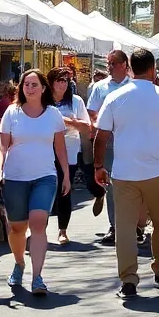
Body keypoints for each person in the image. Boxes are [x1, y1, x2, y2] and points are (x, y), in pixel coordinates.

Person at [93, 47, 159, 299]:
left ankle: (129, 280)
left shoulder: (115, 97)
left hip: (123, 173)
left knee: (124, 228)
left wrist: (98, 166)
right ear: (154, 69)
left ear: (131, 68)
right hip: (158, 172)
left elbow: (100, 136)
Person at [0, 69, 69, 296]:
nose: (29, 88)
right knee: (17, 228)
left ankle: (37, 277)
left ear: (43, 88)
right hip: (15, 177)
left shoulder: (53, 114)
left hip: (45, 177)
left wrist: (65, 174)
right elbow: (1, 145)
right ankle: (19, 263)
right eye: (26, 84)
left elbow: (60, 148)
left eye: (34, 84)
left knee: (38, 224)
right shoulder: (11, 112)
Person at [86, 49, 132, 243]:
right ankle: (114, 226)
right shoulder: (100, 87)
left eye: (113, 63)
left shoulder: (135, 86)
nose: (109, 67)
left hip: (133, 144)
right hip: (110, 144)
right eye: (108, 63)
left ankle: (135, 225)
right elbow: (92, 112)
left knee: (132, 185)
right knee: (112, 186)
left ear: (124, 65)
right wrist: (105, 124)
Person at [46, 66, 89, 246]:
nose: (62, 84)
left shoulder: (76, 101)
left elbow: (86, 126)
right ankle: (38, 230)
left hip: (69, 152)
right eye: (59, 80)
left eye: (66, 81)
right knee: (45, 192)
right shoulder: (42, 101)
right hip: (45, 152)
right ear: (51, 82)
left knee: (64, 191)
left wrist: (66, 121)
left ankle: (62, 230)